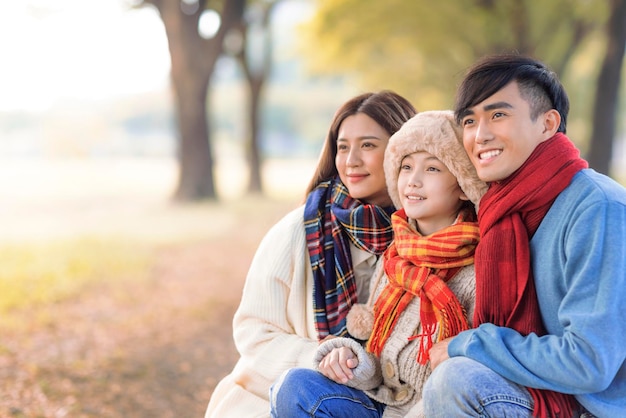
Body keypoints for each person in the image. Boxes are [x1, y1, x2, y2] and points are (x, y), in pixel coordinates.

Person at [421, 54, 626, 418]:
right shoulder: (499, 210)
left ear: (547, 124)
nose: (479, 134)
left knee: (456, 379)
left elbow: (590, 362)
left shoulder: (598, 207)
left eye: (498, 115)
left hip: (593, 408)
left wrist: (470, 344)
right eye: (469, 120)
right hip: (535, 393)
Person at [204, 91, 417, 418]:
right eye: (343, 147)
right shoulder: (299, 231)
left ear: (402, 150)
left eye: (368, 145)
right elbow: (253, 332)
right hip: (295, 398)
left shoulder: (429, 233)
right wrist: (322, 356)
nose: (351, 160)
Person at [269, 110, 487, 417]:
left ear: (463, 184)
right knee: (294, 386)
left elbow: (469, 379)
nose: (413, 180)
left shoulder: (477, 271)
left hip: (431, 410)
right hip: (380, 405)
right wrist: (352, 361)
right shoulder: (394, 258)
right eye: (406, 167)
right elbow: (375, 360)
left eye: (433, 169)